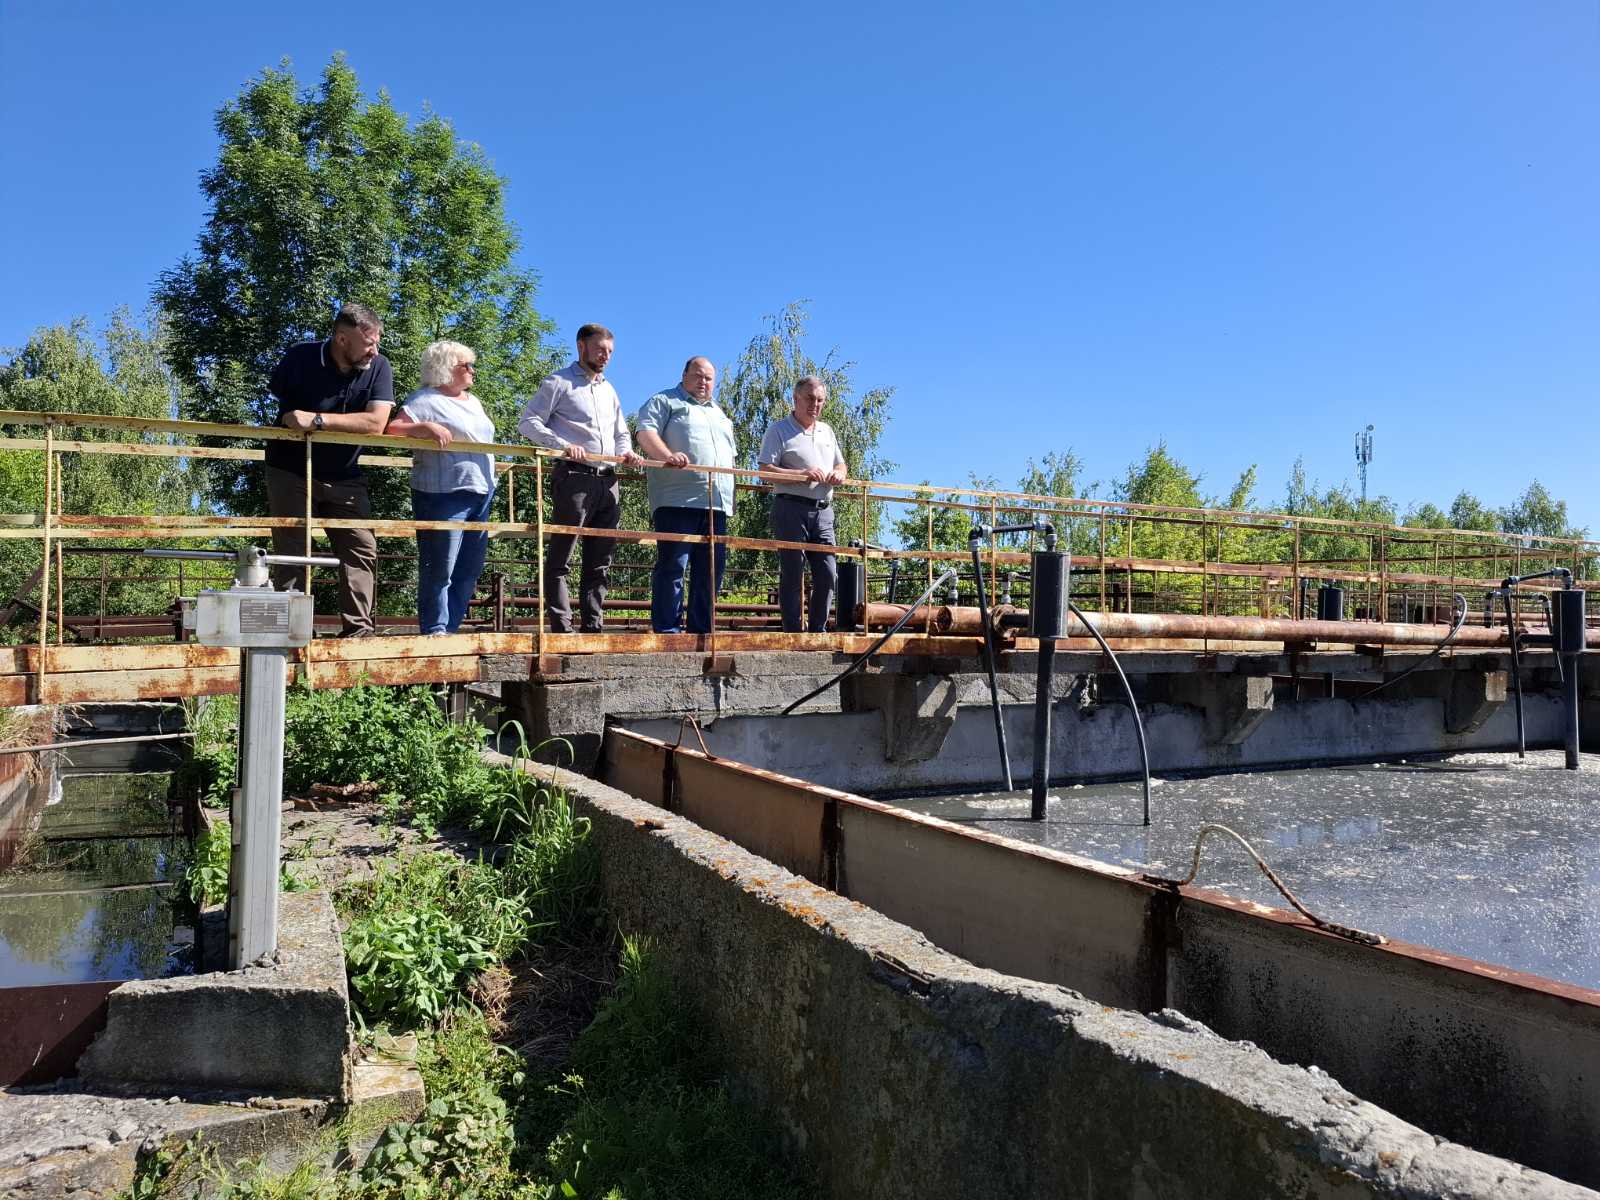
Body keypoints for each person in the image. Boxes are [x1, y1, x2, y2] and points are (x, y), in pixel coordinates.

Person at [263, 303, 394, 636]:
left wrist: (317, 420)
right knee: (292, 549)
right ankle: (293, 632)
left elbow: (376, 423)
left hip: (346, 474)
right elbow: (288, 414)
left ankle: (359, 632)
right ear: (342, 339)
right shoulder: (299, 357)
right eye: (368, 343)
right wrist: (305, 419)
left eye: (377, 342)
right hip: (289, 469)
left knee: (361, 546)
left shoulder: (379, 366)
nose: (374, 351)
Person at [517, 324, 640, 633]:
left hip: (608, 481)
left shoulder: (609, 390)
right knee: (563, 554)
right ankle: (562, 627)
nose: (605, 356)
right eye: (600, 349)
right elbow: (528, 422)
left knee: (601, 558)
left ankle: (593, 626)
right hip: (574, 476)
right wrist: (562, 446)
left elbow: (621, 433)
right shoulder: (558, 382)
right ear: (581, 346)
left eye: (610, 351)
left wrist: (626, 453)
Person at [386, 341, 497, 635]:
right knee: (440, 568)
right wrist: (424, 428)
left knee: (469, 569)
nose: (472, 371)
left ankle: (450, 628)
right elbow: (393, 430)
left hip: (481, 491)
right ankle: (435, 630)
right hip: (443, 493)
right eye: (466, 365)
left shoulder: (474, 402)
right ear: (446, 368)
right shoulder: (425, 399)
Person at [634, 357, 735, 634]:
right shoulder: (665, 401)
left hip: (716, 503)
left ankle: (701, 631)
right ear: (684, 375)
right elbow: (645, 433)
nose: (704, 382)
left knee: (711, 570)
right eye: (698, 376)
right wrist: (667, 456)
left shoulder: (719, 413)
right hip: (677, 499)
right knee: (673, 565)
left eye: (709, 378)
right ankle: (668, 630)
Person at [758, 376, 849, 632]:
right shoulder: (778, 430)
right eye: (810, 398)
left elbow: (841, 464)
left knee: (828, 572)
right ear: (796, 398)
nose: (815, 404)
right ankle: (793, 631)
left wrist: (839, 473)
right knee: (792, 572)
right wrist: (801, 475)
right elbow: (764, 470)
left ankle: (817, 630)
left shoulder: (827, 431)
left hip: (823, 510)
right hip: (790, 508)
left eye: (820, 400)